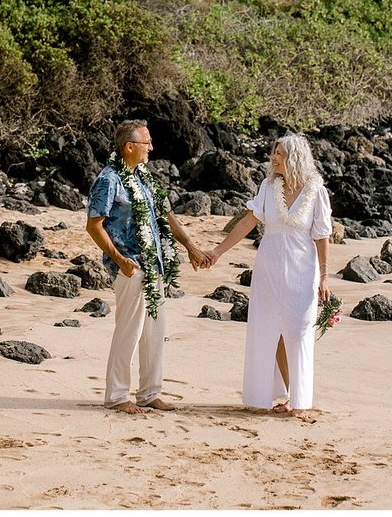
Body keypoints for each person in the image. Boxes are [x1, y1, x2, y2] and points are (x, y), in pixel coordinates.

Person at [86, 119, 211, 414]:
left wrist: (191, 247)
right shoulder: (108, 180)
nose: (151, 148)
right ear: (129, 147)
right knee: (128, 332)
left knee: (155, 331)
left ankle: (149, 392)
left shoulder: (145, 178)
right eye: (146, 143)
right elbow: (94, 225)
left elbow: (165, 216)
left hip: (154, 264)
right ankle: (117, 396)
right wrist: (119, 259)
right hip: (130, 266)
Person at [209, 134, 332, 416]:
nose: (273, 158)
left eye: (279, 154)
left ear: (295, 157)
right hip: (268, 270)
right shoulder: (268, 187)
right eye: (274, 153)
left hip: (302, 271)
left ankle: (300, 401)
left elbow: (322, 236)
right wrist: (218, 251)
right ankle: (279, 395)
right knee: (270, 333)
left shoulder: (316, 191)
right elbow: (248, 222)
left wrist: (324, 277)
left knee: (298, 333)